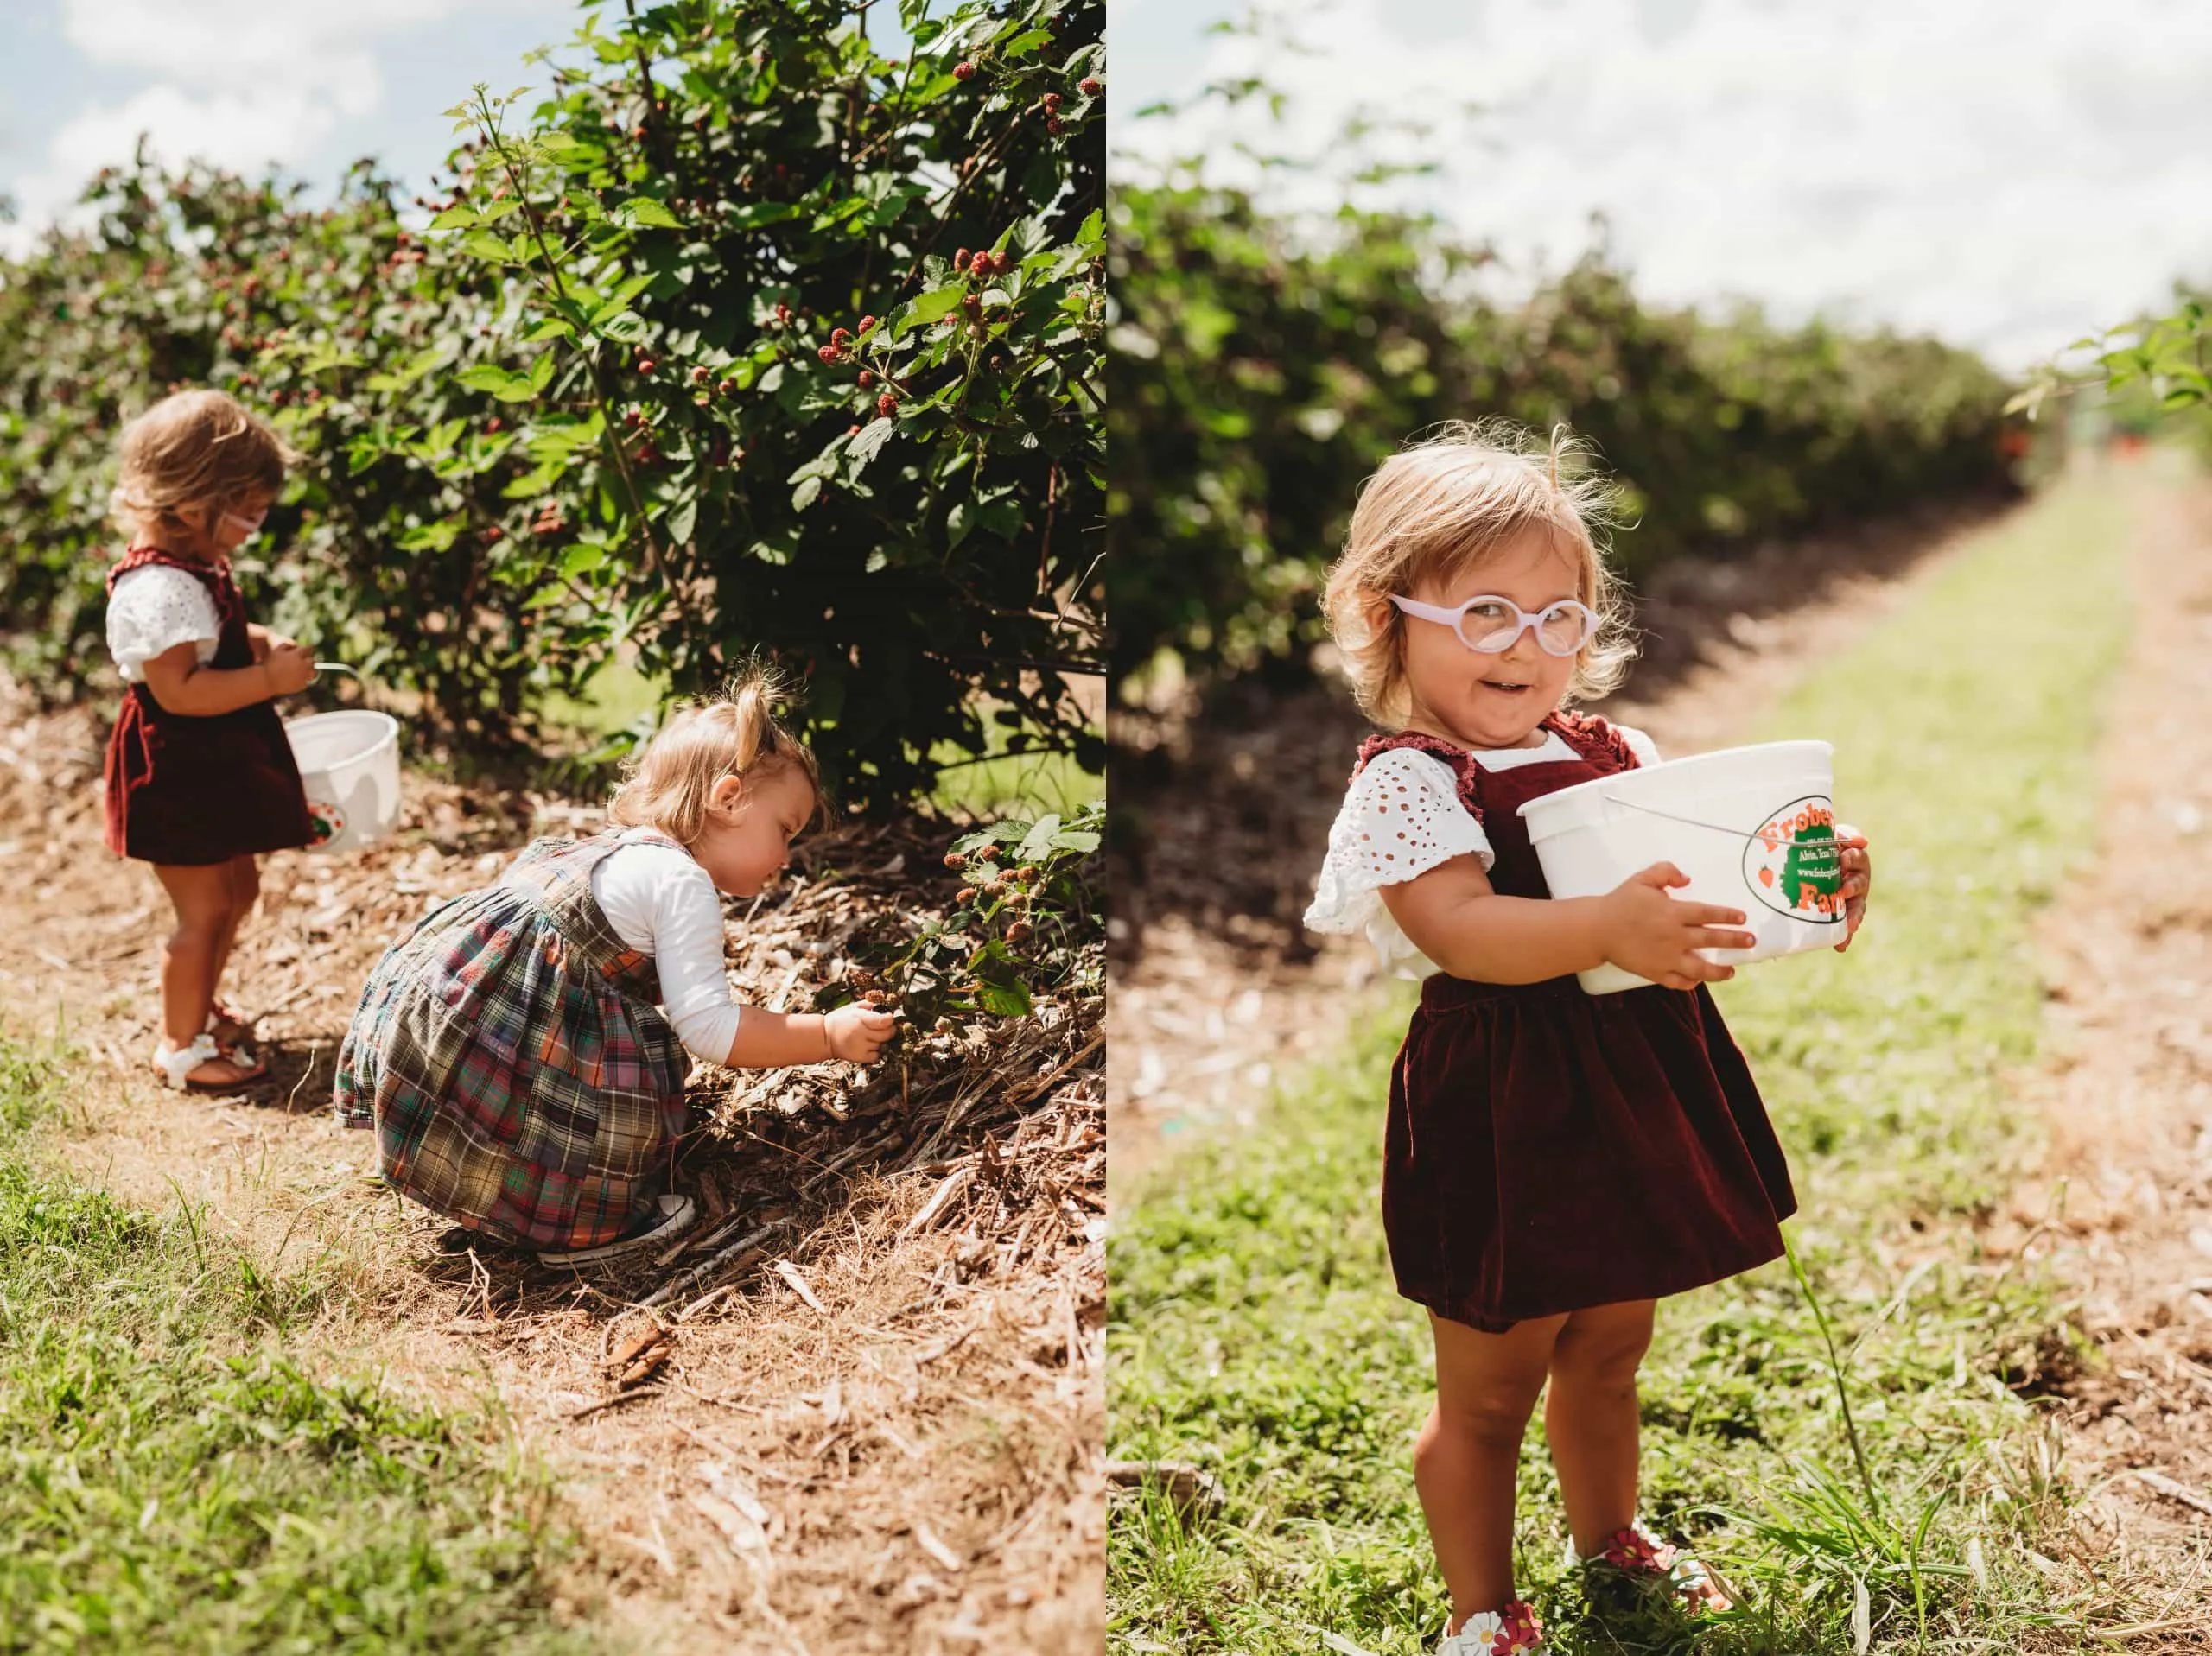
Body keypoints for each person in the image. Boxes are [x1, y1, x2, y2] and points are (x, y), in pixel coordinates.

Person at [1303, 421, 1873, 1651]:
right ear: (1385, 614)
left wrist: (1803, 877)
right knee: (1495, 1380)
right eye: (1488, 612)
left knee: (1613, 1340)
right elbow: (1461, 929)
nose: (1529, 646)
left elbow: (1698, 895)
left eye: (1559, 616)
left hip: (1628, 1079)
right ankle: (1481, 1610)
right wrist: (1604, 924)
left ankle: (1609, 1535)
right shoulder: (1414, 780)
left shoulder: (1614, 756)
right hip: (1505, 1101)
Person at [333, 672, 898, 1264]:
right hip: (503, 1031)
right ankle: (582, 1225)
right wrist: (828, 1035)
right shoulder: (681, 882)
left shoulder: (621, 848)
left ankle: (479, 1180)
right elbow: (710, 1029)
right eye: (786, 829)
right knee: (597, 1085)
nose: (787, 856)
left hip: (450, 1008)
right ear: (729, 799)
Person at [102, 389, 320, 1092]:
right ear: (196, 504)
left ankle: (198, 1007)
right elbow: (179, 691)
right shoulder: (155, 589)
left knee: (239, 886)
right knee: (204, 909)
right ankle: (179, 1047)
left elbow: (212, 639)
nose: (258, 525)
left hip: (213, 764)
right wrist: (270, 680)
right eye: (249, 510)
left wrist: (258, 642)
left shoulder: (194, 568)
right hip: (178, 773)